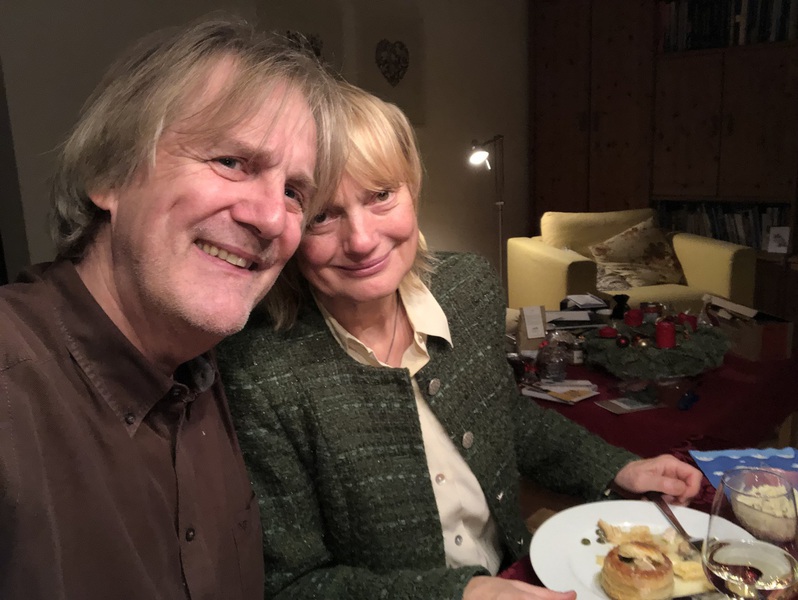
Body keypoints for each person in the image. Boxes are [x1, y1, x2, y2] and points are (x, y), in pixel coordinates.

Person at [217, 81, 703, 600]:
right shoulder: (258, 371)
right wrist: (461, 595)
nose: (361, 240)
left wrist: (618, 468)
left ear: (413, 187)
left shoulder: (468, 289)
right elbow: (294, 585)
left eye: (380, 195)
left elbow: (506, 416)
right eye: (322, 216)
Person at [0, 17, 344, 599]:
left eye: (293, 192)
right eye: (231, 161)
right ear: (110, 173)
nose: (270, 218)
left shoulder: (210, 368)